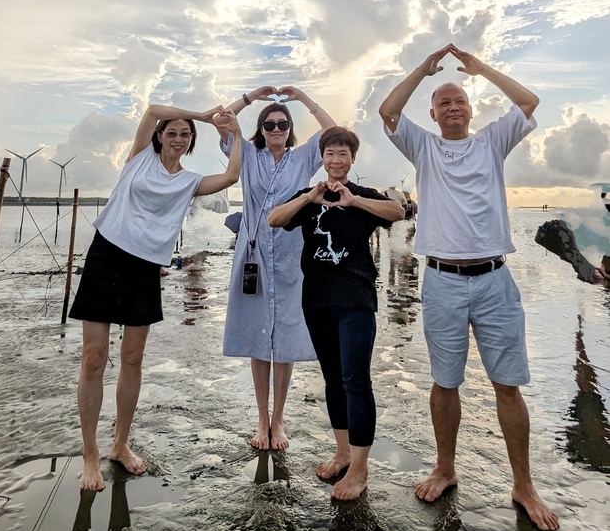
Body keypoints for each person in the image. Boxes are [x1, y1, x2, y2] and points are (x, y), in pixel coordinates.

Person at [379, 43, 559, 531]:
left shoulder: (492, 141)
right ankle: (445, 468)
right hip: (442, 280)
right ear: (434, 114)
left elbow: (529, 102)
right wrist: (423, 70)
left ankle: (523, 484)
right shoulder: (423, 147)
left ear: (471, 109)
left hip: (495, 279)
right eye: (444, 102)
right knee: (445, 381)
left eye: (460, 100)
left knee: (508, 384)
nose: (453, 107)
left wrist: (481, 69)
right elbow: (388, 112)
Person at [70, 102, 241, 491]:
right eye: (172, 132)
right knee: (94, 358)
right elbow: (151, 110)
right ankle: (90, 455)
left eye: (185, 135)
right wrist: (202, 116)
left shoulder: (189, 182)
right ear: (160, 137)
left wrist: (235, 132)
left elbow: (232, 175)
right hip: (106, 255)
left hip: (144, 267)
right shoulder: (139, 158)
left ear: (191, 143)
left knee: (132, 358)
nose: (178, 139)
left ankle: (120, 445)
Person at [268, 127, 404, 499]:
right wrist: (308, 197)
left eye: (343, 154)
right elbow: (275, 219)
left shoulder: (361, 194)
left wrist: (354, 202)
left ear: (352, 159)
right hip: (317, 301)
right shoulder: (310, 196)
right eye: (330, 153)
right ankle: (343, 452)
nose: (336, 160)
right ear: (322, 158)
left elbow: (397, 211)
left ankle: (359, 469)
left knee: (355, 380)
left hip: (356, 300)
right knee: (332, 379)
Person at [218, 85, 336, 451]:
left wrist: (303, 98)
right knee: (258, 333)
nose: (276, 129)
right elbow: (221, 121)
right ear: (260, 129)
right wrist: (252, 96)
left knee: (285, 332)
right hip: (253, 254)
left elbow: (334, 133)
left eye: (282, 124)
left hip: (291, 255)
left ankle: (279, 419)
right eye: (269, 124)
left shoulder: (302, 159)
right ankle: (261, 418)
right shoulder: (248, 155)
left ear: (289, 128)